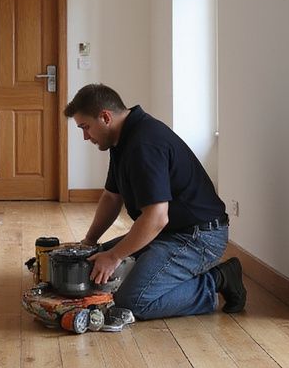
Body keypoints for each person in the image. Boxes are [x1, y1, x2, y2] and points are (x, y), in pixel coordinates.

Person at [64, 83, 245, 320]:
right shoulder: (122, 139)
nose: (86, 136)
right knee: (91, 267)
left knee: (132, 302)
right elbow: (111, 196)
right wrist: (90, 242)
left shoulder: (143, 144)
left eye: (85, 127)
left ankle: (217, 279)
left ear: (105, 117)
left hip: (198, 238)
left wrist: (115, 256)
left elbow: (157, 217)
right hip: (169, 231)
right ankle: (166, 274)